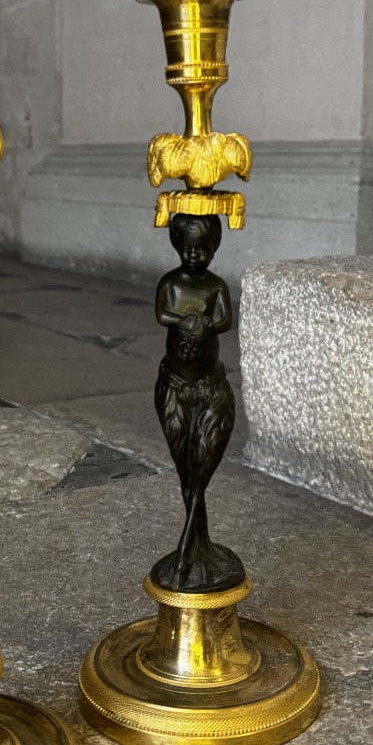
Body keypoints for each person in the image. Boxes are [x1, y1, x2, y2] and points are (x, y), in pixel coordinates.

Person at [152, 212, 246, 592]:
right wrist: (188, 319)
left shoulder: (217, 286)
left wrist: (204, 323)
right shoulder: (171, 283)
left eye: (204, 249)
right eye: (189, 248)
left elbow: (225, 320)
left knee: (201, 469)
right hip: (175, 386)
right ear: (178, 246)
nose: (195, 256)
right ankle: (196, 545)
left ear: (214, 248)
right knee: (185, 470)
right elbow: (161, 313)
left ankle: (190, 548)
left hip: (211, 389)